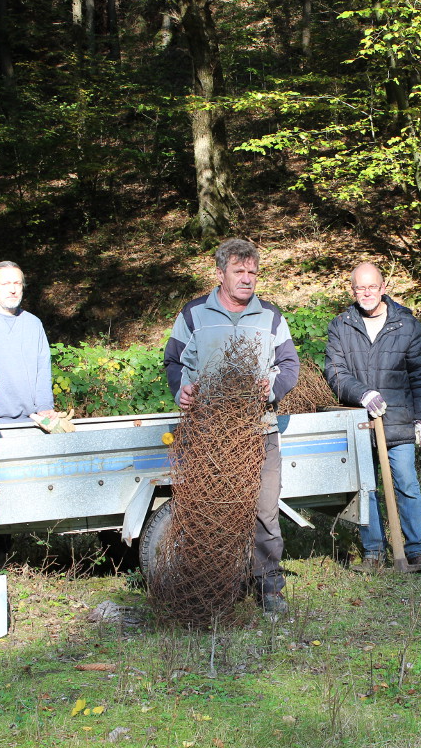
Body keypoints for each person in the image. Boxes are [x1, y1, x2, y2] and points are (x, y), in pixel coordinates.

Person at [164, 239, 300, 615]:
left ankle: (269, 589)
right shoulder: (194, 314)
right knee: (210, 509)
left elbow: (290, 366)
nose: (247, 279)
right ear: (220, 273)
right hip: (208, 432)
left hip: (259, 432)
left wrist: (272, 387)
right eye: (239, 271)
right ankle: (214, 588)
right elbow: (173, 362)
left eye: (252, 272)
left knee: (263, 512)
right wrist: (183, 389)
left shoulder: (271, 317)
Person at [324, 263, 421, 574]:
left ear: (383, 286)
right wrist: (361, 393)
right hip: (361, 423)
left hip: (400, 422)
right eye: (360, 288)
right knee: (366, 489)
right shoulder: (341, 325)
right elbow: (335, 371)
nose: (366, 293)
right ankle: (373, 551)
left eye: (371, 287)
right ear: (352, 291)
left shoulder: (406, 325)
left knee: (407, 485)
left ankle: (416, 551)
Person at [0, 261, 57, 425]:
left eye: (17, 283)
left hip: (31, 420)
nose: (13, 289)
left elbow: (42, 369)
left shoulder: (33, 323)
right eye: (6, 284)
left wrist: (45, 406)